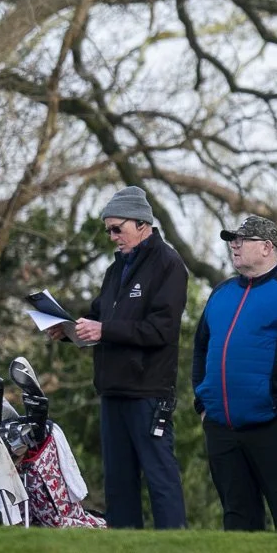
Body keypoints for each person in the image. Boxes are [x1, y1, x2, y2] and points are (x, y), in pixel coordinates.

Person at [191, 215, 277, 531]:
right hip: (222, 428)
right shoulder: (221, 293)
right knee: (237, 520)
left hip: (275, 425)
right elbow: (200, 350)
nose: (233, 246)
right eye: (231, 240)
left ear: (267, 247)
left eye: (242, 240)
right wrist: (203, 405)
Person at [61, 186, 188, 529]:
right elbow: (99, 316)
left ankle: (175, 549)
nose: (113, 237)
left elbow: (160, 330)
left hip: (148, 391)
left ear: (142, 224)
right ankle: (124, 550)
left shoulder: (168, 265)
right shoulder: (115, 270)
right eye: (108, 231)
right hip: (113, 389)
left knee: (160, 477)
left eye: (118, 228)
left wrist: (104, 331)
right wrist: (68, 330)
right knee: (118, 481)